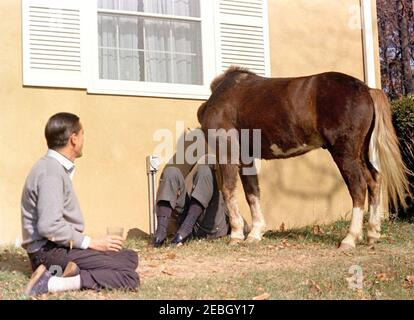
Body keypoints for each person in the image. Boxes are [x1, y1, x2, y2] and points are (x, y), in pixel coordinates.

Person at [21, 112, 139, 297]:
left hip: (58, 248)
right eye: (83, 135)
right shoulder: (51, 173)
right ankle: (51, 283)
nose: (84, 140)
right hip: (49, 253)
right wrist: (91, 242)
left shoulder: (53, 167)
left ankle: (71, 272)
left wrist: (89, 244)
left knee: (129, 257)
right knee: (128, 277)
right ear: (73, 139)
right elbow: (48, 226)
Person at [152, 149, 231, 247]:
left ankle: (184, 231)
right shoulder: (193, 175)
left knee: (205, 170)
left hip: (210, 226)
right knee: (171, 172)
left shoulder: (208, 172)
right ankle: (160, 233)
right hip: (187, 220)